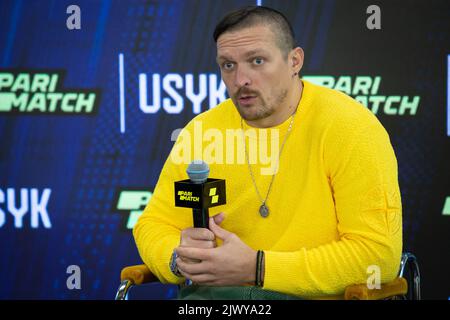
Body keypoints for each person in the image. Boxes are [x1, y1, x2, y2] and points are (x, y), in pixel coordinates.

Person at [133, 5, 402, 299]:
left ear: (294, 61)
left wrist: (258, 268)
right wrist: (177, 257)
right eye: (228, 65)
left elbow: (378, 257)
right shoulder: (202, 131)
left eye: (257, 61)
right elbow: (153, 223)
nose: (241, 80)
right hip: (216, 298)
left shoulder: (350, 127)